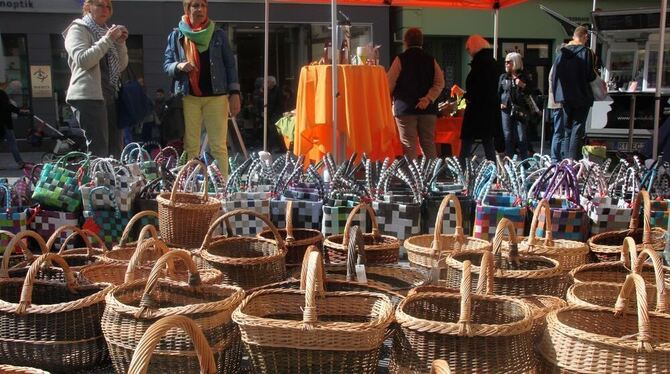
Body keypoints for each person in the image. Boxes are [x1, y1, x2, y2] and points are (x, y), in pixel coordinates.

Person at [164, 0, 241, 177]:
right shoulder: (176, 36)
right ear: (187, 9)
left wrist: (235, 92)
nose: (200, 9)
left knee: (219, 145)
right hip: (189, 96)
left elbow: (230, 65)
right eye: (195, 5)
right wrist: (179, 66)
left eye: (203, 6)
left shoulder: (218, 34)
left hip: (217, 96)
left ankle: (223, 187)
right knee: (190, 145)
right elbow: (167, 65)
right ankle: (188, 185)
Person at [63, 0, 128, 157]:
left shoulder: (106, 32)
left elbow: (121, 66)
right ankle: (98, 182)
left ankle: (115, 181)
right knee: (99, 149)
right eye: (99, 5)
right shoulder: (78, 29)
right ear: (88, 7)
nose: (104, 9)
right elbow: (84, 60)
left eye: (108, 6)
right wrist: (107, 39)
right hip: (89, 96)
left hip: (111, 95)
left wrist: (120, 43)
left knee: (116, 149)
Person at [388, 27, 445, 160]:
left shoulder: (400, 59)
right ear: (421, 42)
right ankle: (431, 176)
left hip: (405, 109)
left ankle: (413, 178)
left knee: (409, 145)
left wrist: (388, 100)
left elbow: (389, 83)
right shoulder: (431, 60)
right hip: (428, 110)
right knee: (428, 144)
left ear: (405, 42)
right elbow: (439, 83)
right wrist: (428, 98)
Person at [552, 26, 597, 160]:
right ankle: (573, 162)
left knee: (567, 130)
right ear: (584, 37)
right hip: (582, 96)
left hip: (565, 97)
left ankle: (566, 162)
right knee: (577, 129)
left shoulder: (561, 53)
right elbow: (590, 76)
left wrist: (556, 94)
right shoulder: (586, 52)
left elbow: (555, 75)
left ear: (573, 36)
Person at [460, 35, 499, 165]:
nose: (468, 52)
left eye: (468, 49)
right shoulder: (491, 62)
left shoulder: (479, 64)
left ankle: (462, 170)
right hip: (488, 109)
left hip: (477, 108)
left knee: (467, 141)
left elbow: (477, 87)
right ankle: (492, 171)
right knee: (488, 142)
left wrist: (468, 96)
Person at [498, 52, 532, 158]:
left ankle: (524, 161)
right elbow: (498, 92)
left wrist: (522, 85)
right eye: (505, 62)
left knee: (521, 136)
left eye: (509, 62)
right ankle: (510, 161)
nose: (506, 64)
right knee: (507, 135)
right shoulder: (503, 77)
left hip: (520, 109)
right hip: (506, 109)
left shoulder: (524, 76)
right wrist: (500, 103)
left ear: (515, 62)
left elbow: (532, 91)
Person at [0, 81, 29, 168]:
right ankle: (20, 162)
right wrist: (19, 111)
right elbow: (8, 106)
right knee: (12, 143)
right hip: (5, 123)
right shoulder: (1, 93)